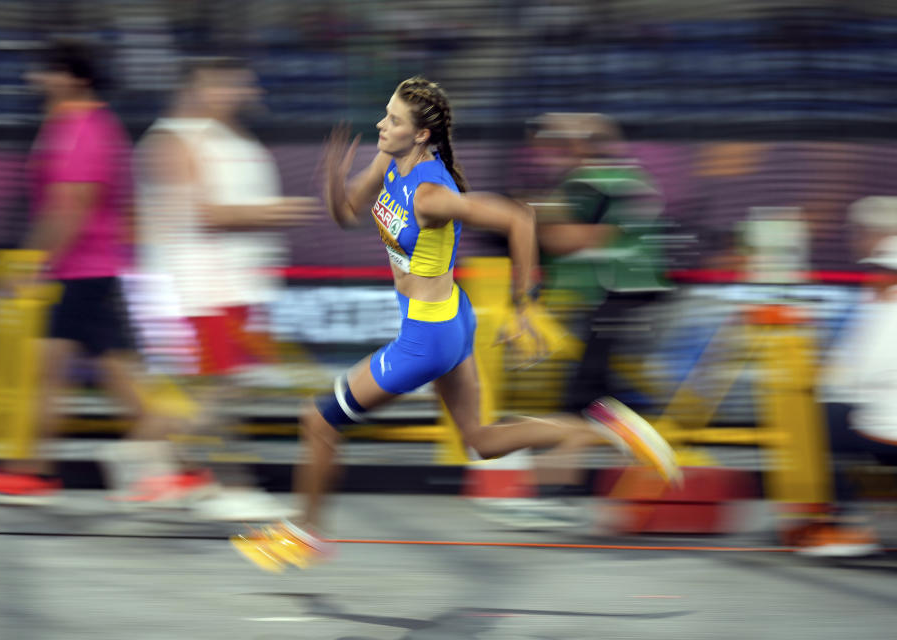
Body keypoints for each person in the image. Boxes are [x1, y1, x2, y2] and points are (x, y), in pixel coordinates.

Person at [231, 77, 680, 572]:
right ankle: (610, 430)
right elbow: (347, 213)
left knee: (317, 420)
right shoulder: (391, 160)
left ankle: (303, 535)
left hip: (427, 338)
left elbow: (520, 219)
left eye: (394, 120)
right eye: (385, 113)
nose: (382, 125)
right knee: (482, 441)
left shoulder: (430, 193)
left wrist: (523, 306)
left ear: (421, 134)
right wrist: (333, 181)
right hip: (449, 316)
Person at [0, 40, 158, 501]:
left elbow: (73, 206)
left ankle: (41, 470)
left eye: (48, 71)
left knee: (91, 375)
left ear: (76, 78)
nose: (36, 79)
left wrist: (30, 263)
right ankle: (34, 469)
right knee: (68, 373)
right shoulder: (78, 124)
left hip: (83, 270)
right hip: (85, 269)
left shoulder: (83, 127)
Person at [125, 57, 318, 519]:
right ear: (203, 87)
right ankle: (223, 484)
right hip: (194, 288)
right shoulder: (173, 139)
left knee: (215, 391)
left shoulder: (232, 138)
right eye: (232, 84)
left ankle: (163, 467)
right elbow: (204, 214)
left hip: (236, 287)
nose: (244, 93)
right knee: (211, 391)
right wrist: (276, 212)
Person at [531, 112, 671, 416]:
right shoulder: (626, 176)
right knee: (593, 368)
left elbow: (567, 237)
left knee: (588, 381)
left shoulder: (593, 180)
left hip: (619, 289)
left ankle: (595, 415)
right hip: (619, 288)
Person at [792, 197, 897, 556]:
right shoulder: (881, 291)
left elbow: (866, 365)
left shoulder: (885, 290)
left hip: (885, 420)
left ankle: (842, 526)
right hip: (882, 412)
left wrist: (825, 383)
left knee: (818, 421)